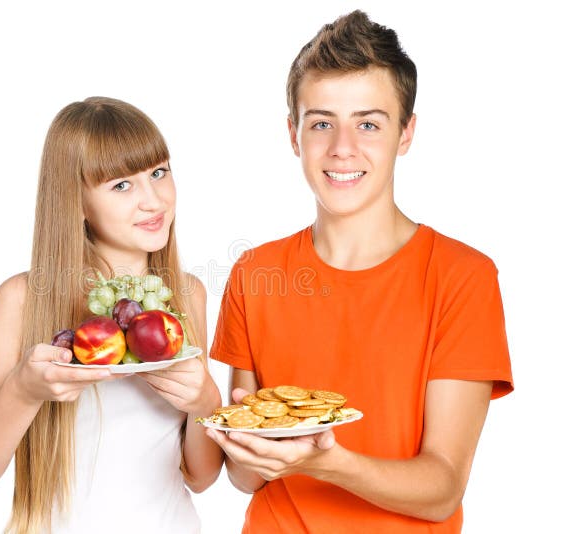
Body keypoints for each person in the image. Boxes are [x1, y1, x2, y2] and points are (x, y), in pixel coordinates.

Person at [205, 10, 513, 533]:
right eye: (321, 122)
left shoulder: (462, 277)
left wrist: (327, 462)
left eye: (368, 123)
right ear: (293, 134)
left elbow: (442, 489)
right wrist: (241, 443)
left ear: (406, 133)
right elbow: (244, 477)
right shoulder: (256, 272)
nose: (342, 147)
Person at [0, 97, 222, 534]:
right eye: (121, 186)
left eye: (158, 172)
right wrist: (23, 390)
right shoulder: (21, 300)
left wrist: (206, 402)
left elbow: (202, 478)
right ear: (76, 202)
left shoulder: (187, 295)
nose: (153, 200)